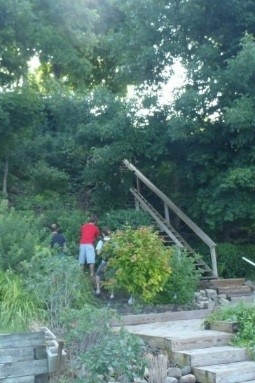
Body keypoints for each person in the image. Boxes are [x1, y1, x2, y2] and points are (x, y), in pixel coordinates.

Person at [95, 227, 113, 297]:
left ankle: (98, 290)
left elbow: (98, 253)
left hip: (104, 262)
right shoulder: (113, 241)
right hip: (112, 262)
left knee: (98, 275)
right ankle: (112, 294)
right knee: (112, 277)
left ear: (102, 233)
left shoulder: (101, 241)